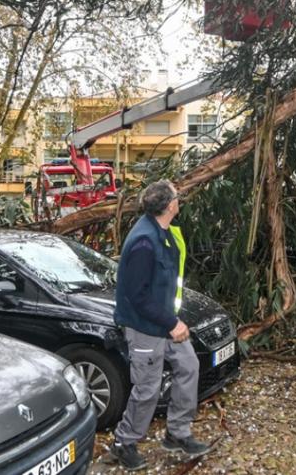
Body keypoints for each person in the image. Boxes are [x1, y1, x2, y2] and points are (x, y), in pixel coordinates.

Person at [108, 180, 211, 470]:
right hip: (145, 328)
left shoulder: (163, 233)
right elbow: (137, 296)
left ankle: (177, 433)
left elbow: (164, 284)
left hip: (165, 324)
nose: (180, 199)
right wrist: (171, 322)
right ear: (169, 206)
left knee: (189, 366)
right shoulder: (143, 242)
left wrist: (173, 319)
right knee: (147, 389)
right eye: (177, 197)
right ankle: (123, 443)